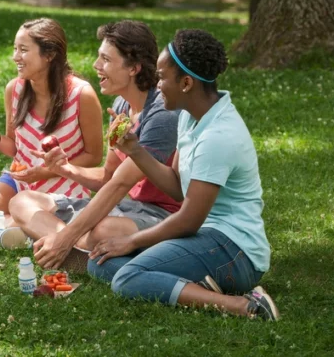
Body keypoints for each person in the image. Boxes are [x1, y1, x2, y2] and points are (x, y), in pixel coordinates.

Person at [87, 29, 279, 320]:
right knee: (100, 263)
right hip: (203, 237)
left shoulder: (218, 137)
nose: (156, 84)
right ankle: (193, 284)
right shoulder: (189, 116)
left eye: (162, 77)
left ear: (186, 83)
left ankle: (245, 306)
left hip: (235, 251)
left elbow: (189, 220)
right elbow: (177, 186)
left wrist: (133, 241)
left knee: (126, 278)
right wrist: (136, 150)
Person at [6, 21, 182, 271]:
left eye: (106, 59)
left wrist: (65, 238)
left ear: (134, 68)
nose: (96, 65)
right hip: (129, 208)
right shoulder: (121, 106)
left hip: (163, 216)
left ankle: (61, 245)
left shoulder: (162, 115)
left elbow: (120, 184)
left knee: (105, 229)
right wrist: (65, 169)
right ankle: (75, 250)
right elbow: (107, 177)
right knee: (22, 201)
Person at [0, 18, 104, 230]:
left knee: (32, 226)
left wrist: (47, 171)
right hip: (20, 180)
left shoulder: (81, 95)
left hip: (63, 186)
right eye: (15, 48)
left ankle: (12, 220)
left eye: (23, 50)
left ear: (49, 55)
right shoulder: (15, 89)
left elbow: (94, 156)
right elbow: (16, 149)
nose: (15, 56)